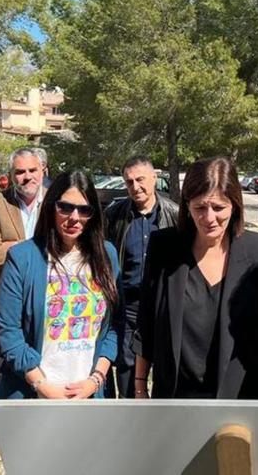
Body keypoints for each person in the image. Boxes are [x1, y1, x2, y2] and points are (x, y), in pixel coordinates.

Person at [133, 157, 258, 399]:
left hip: (242, 400)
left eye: (219, 208)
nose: (209, 218)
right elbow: (146, 323)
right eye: (200, 207)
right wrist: (139, 387)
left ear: (235, 205)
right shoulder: (164, 248)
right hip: (174, 399)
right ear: (187, 205)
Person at [0, 171, 119, 399]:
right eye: (65, 207)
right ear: (51, 206)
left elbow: (112, 327)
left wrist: (95, 379)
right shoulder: (23, 258)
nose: (74, 217)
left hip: (90, 395)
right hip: (32, 394)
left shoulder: (107, 255)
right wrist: (41, 384)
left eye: (84, 210)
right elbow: (8, 332)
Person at [0, 147, 43, 457]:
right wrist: (40, 245)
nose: (26, 177)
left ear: (42, 170)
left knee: (46, 362)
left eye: (31, 170)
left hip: (49, 298)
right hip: (7, 298)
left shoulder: (57, 200)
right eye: (19, 172)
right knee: (3, 365)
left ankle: (42, 424)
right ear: (11, 175)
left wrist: (14, 247)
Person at [103, 156, 178, 397]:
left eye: (140, 180)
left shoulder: (174, 214)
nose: (135, 187)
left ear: (154, 178)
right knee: (126, 366)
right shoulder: (115, 215)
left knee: (166, 365)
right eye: (129, 182)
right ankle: (129, 414)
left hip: (164, 305)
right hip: (128, 306)